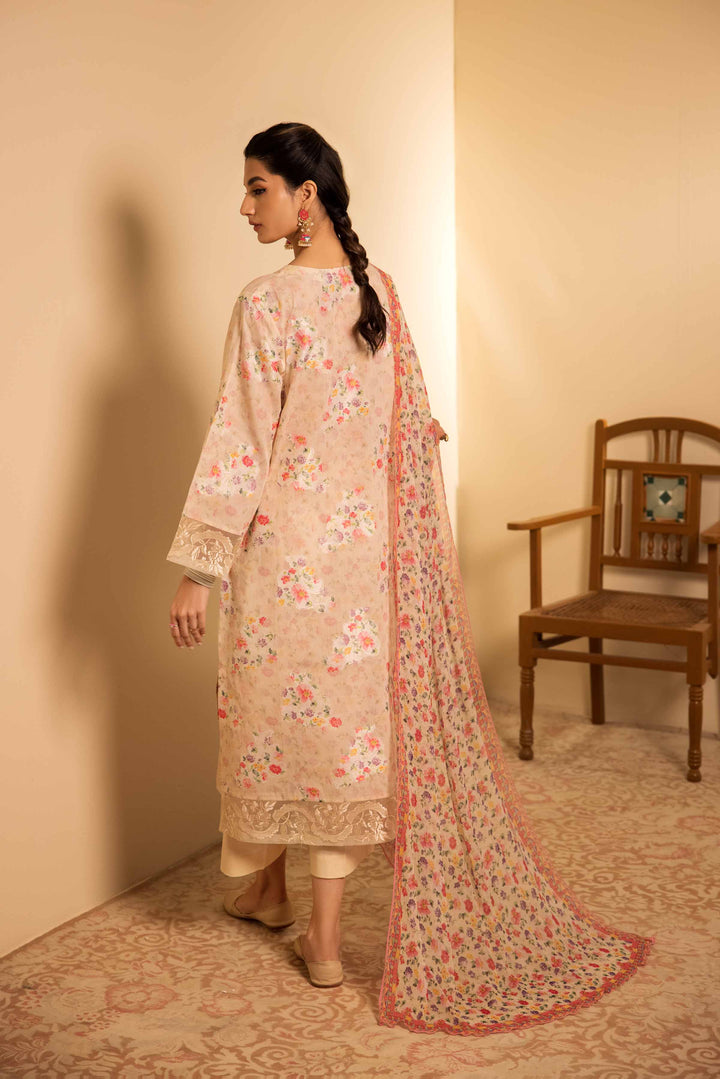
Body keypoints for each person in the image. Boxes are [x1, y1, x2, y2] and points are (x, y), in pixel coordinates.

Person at [167, 122, 654, 1033]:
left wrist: (201, 567)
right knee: (344, 741)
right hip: (366, 567)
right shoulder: (378, 291)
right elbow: (413, 418)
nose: (244, 205)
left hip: (283, 565)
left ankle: (285, 904)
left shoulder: (266, 303)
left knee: (277, 729)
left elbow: (240, 439)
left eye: (258, 187)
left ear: (305, 195)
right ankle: (302, 921)